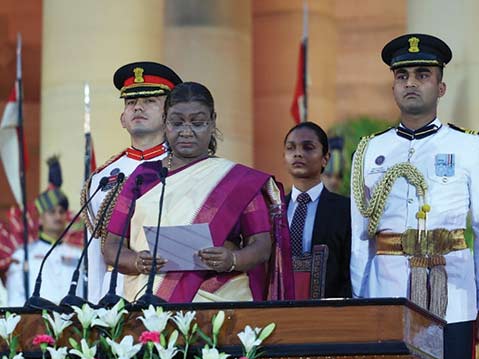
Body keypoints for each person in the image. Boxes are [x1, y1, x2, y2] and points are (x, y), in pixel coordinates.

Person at [349, 33, 479, 359]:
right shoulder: (371, 149)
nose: (411, 83)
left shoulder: (470, 148)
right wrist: (360, 299)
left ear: (441, 86)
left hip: (453, 291)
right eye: (402, 77)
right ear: (393, 87)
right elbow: (360, 235)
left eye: (422, 74)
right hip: (384, 292)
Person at [102, 81, 294, 303]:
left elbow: (261, 246)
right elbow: (112, 246)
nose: (186, 132)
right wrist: (136, 262)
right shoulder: (142, 177)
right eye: (177, 122)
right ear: (165, 122)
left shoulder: (238, 180)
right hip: (149, 304)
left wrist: (232, 259)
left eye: (198, 123)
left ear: (213, 122)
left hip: (220, 303)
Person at [82, 61, 182, 303]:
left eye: (150, 101)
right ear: (123, 118)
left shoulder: (184, 167)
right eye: (131, 102)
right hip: (113, 294)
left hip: (168, 289)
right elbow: (95, 251)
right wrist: (93, 306)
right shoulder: (101, 177)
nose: (138, 107)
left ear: (168, 113)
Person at [283, 121, 351, 299]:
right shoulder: (273, 209)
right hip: (278, 309)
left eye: (308, 147)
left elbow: (350, 270)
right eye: (291, 148)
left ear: (325, 158)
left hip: (330, 313)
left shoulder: (345, 210)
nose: (298, 153)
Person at [7, 157, 82, 306]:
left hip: (74, 324)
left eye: (61, 212)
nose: (58, 216)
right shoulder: (23, 255)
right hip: (36, 323)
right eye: (52, 212)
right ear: (40, 218)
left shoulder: (78, 255)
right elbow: (15, 298)